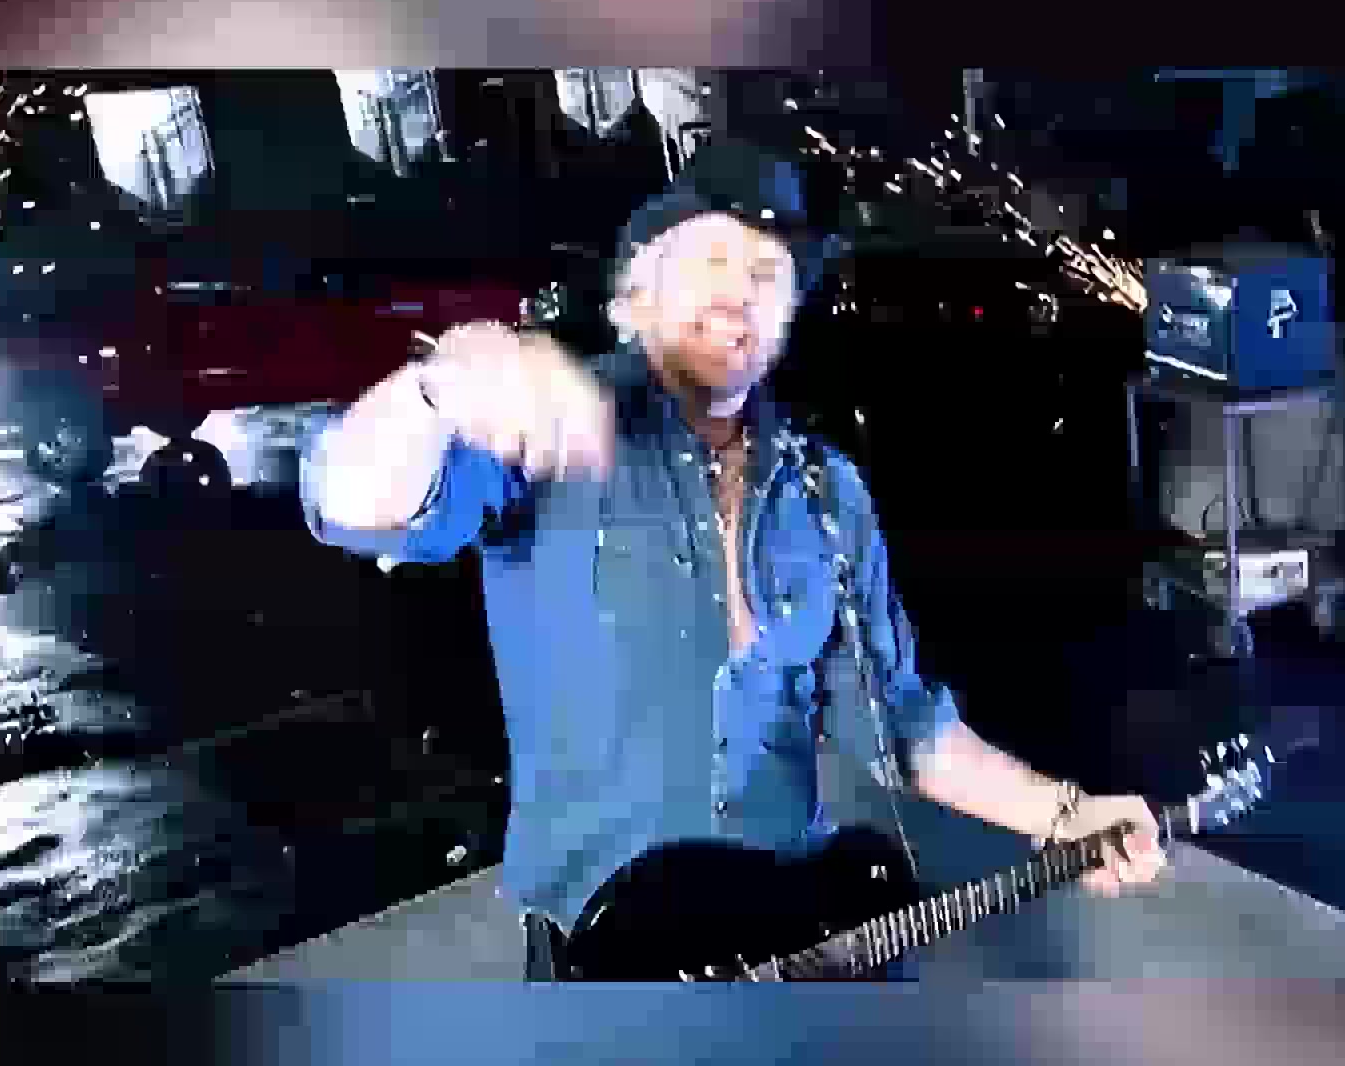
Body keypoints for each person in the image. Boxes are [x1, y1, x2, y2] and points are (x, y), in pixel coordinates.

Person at [301, 139, 1166, 980]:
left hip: (795, 946)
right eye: (710, 258)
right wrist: (441, 388)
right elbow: (352, 506)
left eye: (767, 272)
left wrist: (1066, 813)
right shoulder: (551, 431)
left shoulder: (827, 492)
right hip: (611, 967)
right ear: (637, 291)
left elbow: (902, 725)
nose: (739, 292)